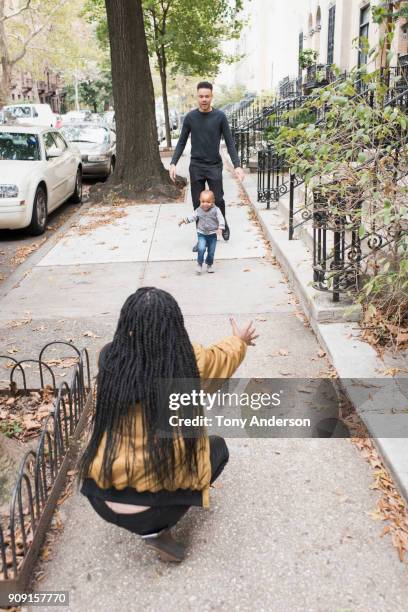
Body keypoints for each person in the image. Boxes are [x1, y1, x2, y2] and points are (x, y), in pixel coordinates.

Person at [79, 288, 258, 563]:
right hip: (152, 509)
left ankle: (150, 524)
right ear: (174, 323)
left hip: (99, 496)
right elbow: (222, 359)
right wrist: (240, 340)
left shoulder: (110, 359)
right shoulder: (188, 362)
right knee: (217, 449)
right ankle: (157, 530)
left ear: (126, 322)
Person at [169, 81, 245, 251]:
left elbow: (230, 143)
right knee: (198, 204)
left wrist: (237, 165)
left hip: (214, 166)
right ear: (197, 97)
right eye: (201, 96)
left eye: (207, 96)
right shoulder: (190, 117)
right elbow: (181, 142)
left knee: (217, 199)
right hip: (196, 166)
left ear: (211, 96)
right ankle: (201, 237)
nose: (204, 99)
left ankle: (223, 224)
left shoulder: (220, 117)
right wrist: (173, 162)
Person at [178, 189, 224, 274]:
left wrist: (220, 228)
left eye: (208, 202)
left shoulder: (216, 210)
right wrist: (184, 220)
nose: (205, 204)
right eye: (203, 202)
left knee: (211, 251)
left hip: (212, 234)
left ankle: (209, 265)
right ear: (200, 201)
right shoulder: (199, 210)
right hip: (201, 233)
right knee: (201, 248)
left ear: (213, 201)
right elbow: (192, 217)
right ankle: (199, 264)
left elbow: (221, 219)